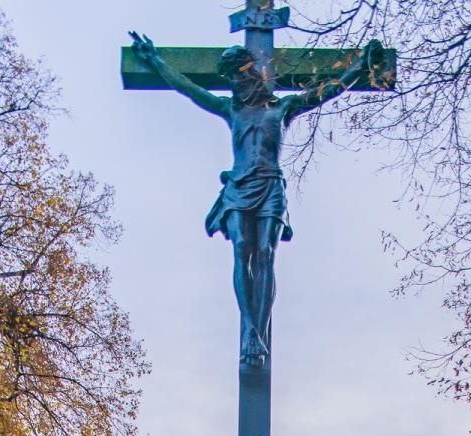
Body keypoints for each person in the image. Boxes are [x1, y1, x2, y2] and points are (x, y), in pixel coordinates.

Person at [129, 32, 384, 365]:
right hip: (239, 186)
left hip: (270, 186)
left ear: (252, 73)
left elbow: (328, 90)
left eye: (239, 75)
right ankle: (250, 327)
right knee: (241, 248)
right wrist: (155, 60)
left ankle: (258, 332)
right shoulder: (231, 110)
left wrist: (360, 66)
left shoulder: (283, 108)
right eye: (232, 79)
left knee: (264, 253)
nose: (236, 83)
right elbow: (187, 88)